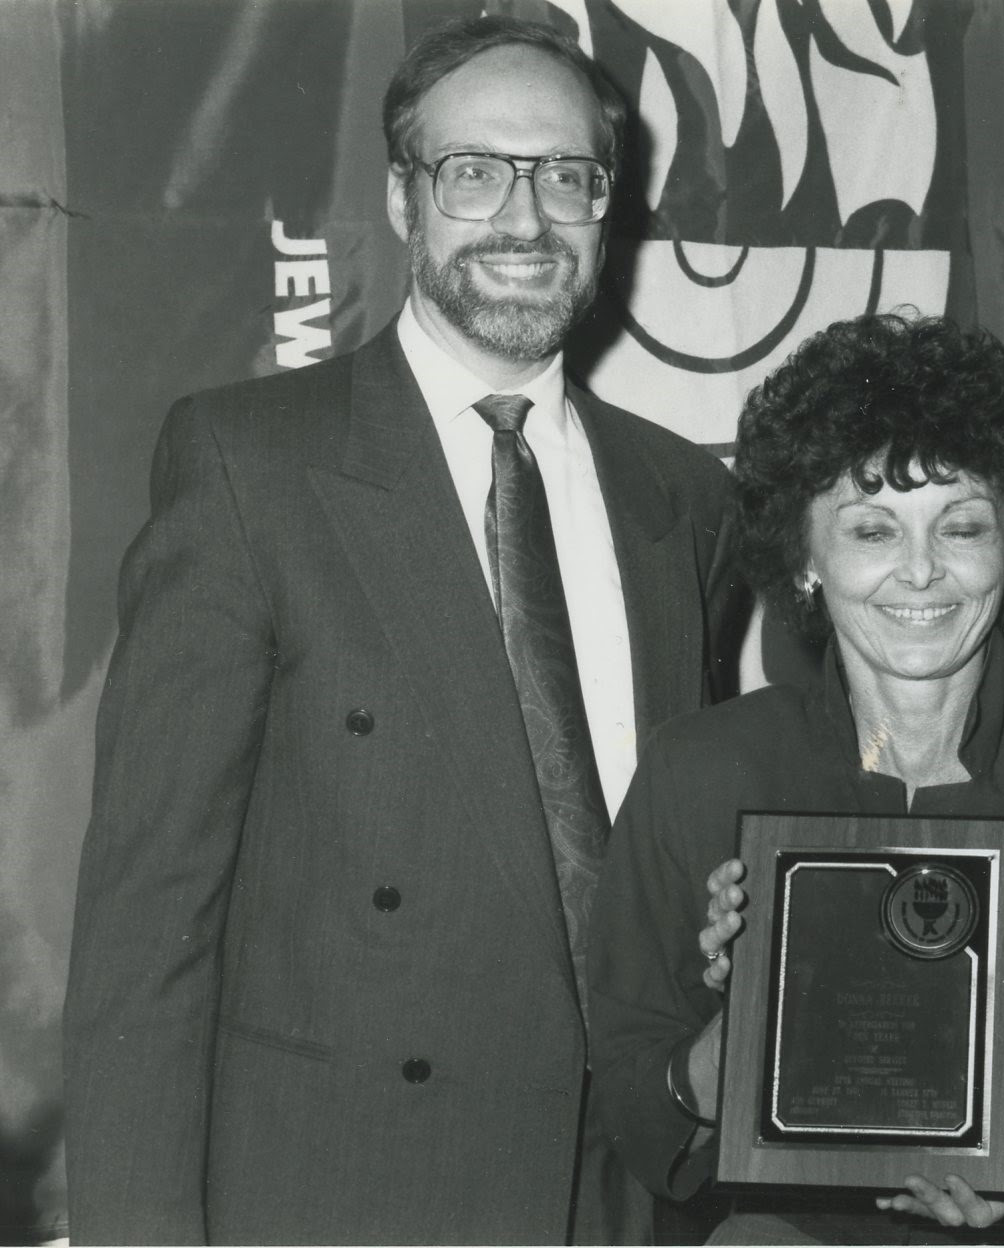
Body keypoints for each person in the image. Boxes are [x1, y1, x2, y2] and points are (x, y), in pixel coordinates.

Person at [62, 15, 743, 1245]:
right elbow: (145, 926)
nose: (526, 220)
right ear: (403, 197)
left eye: (566, 177)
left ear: (609, 205)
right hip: (345, 1184)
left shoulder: (681, 499)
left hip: (622, 1197)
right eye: (474, 172)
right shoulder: (250, 463)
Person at [588, 313, 1004, 1244]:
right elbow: (633, 1094)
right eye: (871, 529)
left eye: (962, 526)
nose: (920, 571)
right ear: (803, 557)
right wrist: (731, 1046)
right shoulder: (699, 770)